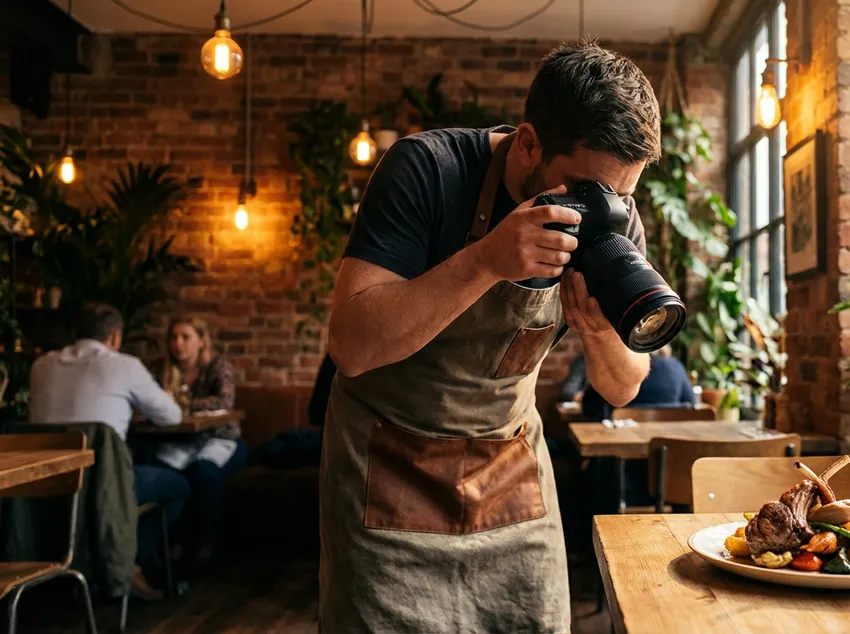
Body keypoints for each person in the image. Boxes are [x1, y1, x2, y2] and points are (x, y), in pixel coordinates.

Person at [319, 40, 659, 632]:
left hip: (510, 476)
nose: (607, 210)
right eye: (586, 190)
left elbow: (625, 385)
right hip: (389, 474)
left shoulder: (614, 217)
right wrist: (485, 261)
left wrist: (603, 335)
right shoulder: (428, 169)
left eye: (622, 193)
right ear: (528, 144)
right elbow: (351, 346)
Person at [28, 302, 186, 600]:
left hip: (42, 489)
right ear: (115, 336)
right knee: (177, 486)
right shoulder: (124, 365)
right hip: (103, 486)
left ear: (75, 333)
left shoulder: (41, 365)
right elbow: (172, 416)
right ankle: (129, 564)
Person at [150, 315, 248, 568]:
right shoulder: (165, 369)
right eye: (173, 337)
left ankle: (207, 542)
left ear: (202, 341)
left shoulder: (217, 366)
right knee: (164, 472)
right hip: (181, 440)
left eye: (185, 337)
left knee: (203, 471)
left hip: (221, 438)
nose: (178, 344)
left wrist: (178, 404)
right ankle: (170, 542)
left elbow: (224, 403)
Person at [581, 344, 695, 420]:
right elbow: (691, 402)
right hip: (670, 441)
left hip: (624, 440)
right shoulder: (676, 365)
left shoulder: (626, 368)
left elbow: (590, 403)